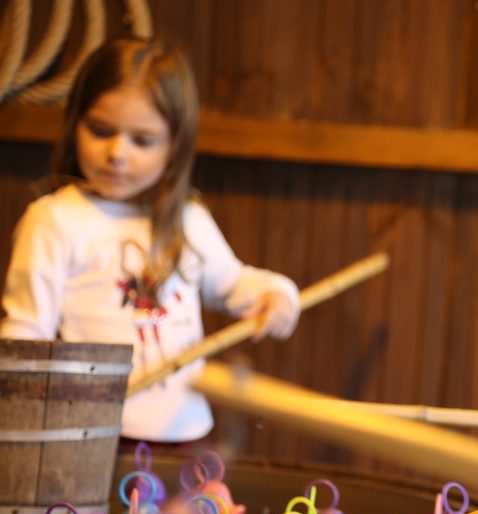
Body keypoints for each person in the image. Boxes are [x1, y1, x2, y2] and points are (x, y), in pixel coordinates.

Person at [0, 37, 300, 444]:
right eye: (101, 130)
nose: (117, 153)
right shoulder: (55, 220)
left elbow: (233, 283)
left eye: (142, 140)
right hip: (92, 437)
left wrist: (277, 296)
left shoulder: (188, 220)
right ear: (74, 124)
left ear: (174, 145)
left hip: (188, 432)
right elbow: (25, 334)